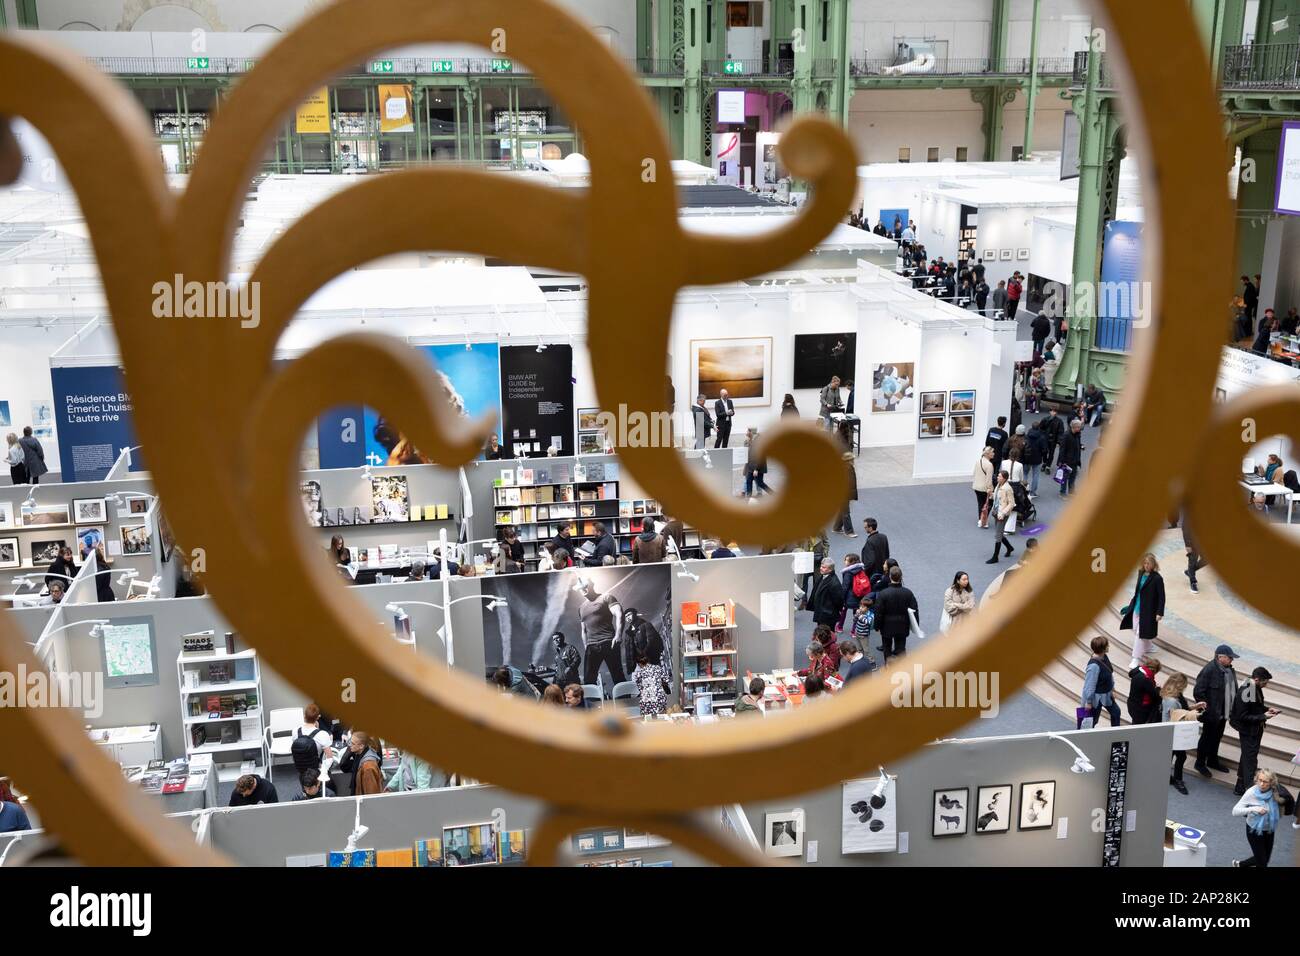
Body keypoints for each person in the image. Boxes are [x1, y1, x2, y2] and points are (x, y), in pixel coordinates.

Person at [1230, 666, 1280, 795]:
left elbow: (1256, 706)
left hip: (1254, 729)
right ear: (1257, 679)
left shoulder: (1254, 687)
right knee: (1250, 761)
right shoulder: (1246, 691)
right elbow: (1243, 716)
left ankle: (1240, 786)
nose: (1266, 685)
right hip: (1248, 731)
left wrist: (1267, 709)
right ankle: (1249, 790)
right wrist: (1263, 716)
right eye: (1264, 682)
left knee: (1247, 758)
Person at [1193, 644, 1239, 777]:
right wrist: (1208, 709)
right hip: (1212, 714)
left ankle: (1212, 760)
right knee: (1206, 738)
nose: (1232, 660)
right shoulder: (1209, 670)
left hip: (1223, 713)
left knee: (1217, 737)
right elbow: (1198, 692)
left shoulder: (1228, 670)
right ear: (1220, 657)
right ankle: (1200, 763)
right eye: (1229, 657)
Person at [1161, 672, 1205, 795]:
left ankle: (1168, 777)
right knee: (1180, 756)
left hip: (1173, 732)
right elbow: (1177, 717)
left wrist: (1195, 707)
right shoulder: (1172, 700)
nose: (1185, 687)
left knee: (1173, 756)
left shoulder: (1175, 696)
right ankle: (1177, 780)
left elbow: (1182, 711)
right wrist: (1196, 715)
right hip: (1172, 733)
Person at [1118, 552, 1164, 665]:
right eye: (1144, 563)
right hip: (1137, 607)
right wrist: (1130, 606)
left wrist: (1159, 612)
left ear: (1153, 564)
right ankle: (1148, 645)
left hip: (1149, 611)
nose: (1146, 565)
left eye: (1148, 563)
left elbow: (1162, 597)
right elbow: (1138, 591)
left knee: (1140, 633)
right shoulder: (1141, 573)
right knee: (1135, 629)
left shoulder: (1157, 578)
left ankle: (1136, 658)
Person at [578, 577, 626, 687]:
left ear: (591, 585)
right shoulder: (581, 608)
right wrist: (586, 646)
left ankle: (624, 702)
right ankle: (592, 704)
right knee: (588, 680)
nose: (583, 589)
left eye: (585, 586)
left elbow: (619, 614)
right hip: (592, 646)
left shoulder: (606, 597)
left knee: (617, 676)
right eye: (581, 588)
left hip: (609, 642)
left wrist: (618, 635)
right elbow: (583, 629)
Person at [1233, 769, 1283, 867]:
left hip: (1269, 830)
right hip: (1254, 830)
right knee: (1262, 863)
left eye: (1265, 782)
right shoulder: (1251, 793)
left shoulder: (1275, 791)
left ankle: (1239, 865)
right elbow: (1235, 811)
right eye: (1259, 780)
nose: (1261, 784)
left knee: (1264, 858)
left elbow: (1286, 801)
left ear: (1271, 783)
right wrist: (1253, 809)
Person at [873, 565, 918, 661]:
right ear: (901, 577)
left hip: (886, 626)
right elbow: (915, 610)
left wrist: (877, 626)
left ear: (890, 576)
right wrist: (914, 625)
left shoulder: (883, 593)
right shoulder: (908, 593)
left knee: (887, 648)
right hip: (903, 625)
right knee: (901, 649)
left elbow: (878, 612)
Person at [1080, 635, 1121, 728]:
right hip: (1095, 697)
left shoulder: (1104, 657)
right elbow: (1089, 685)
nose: (1109, 646)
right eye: (1107, 645)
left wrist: (1113, 689)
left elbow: (1109, 674)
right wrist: (1089, 702)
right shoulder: (1093, 666)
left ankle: (1115, 733)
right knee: (1093, 720)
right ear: (1103, 649)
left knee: (1116, 712)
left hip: (1106, 694)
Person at [338, 731, 385, 796]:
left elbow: (371, 795)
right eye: (350, 742)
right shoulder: (359, 755)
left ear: (361, 746)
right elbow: (344, 765)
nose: (350, 745)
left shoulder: (368, 767)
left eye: (352, 743)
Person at [986, 470, 1016, 565]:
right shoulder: (999, 485)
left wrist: (1003, 513)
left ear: (1004, 478)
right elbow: (998, 497)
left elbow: (1011, 503)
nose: (997, 477)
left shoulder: (1008, 489)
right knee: (998, 533)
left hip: (1001, 514)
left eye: (999, 476)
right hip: (996, 512)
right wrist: (991, 494)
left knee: (998, 535)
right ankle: (1009, 547)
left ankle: (995, 557)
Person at [804, 557, 845, 628]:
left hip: (828, 616)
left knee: (827, 635)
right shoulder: (824, 576)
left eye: (823, 567)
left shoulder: (834, 583)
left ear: (830, 569)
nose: (820, 568)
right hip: (823, 613)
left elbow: (839, 600)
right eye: (821, 566)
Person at [631, 644, 670, 717]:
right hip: (660, 700)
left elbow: (640, 689)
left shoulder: (639, 673)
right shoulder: (658, 668)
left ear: (639, 664)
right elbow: (666, 680)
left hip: (647, 703)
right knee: (661, 719)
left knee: (647, 720)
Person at [1126, 656, 1162, 725]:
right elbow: (1155, 695)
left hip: (1132, 704)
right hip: (1140, 709)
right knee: (1138, 727)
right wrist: (1158, 689)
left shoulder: (1137, 671)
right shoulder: (1146, 679)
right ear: (1155, 670)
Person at [838, 552, 868, 632]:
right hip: (859, 595)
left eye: (846, 560)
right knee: (856, 613)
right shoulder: (861, 569)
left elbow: (845, 587)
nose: (845, 561)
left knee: (843, 611)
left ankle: (840, 627)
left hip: (849, 597)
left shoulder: (848, 572)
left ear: (851, 562)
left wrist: (841, 598)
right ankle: (854, 630)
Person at [1181, 510, 1206, 593]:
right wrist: (1187, 544)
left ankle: (1190, 571)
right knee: (1192, 561)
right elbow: (1185, 527)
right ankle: (1193, 582)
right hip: (1192, 542)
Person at [743, 429, 773, 497]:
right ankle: (749, 496)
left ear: (751, 432)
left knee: (760, 483)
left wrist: (756, 469)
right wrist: (747, 441)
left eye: (747, 431)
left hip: (758, 467)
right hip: (751, 466)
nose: (746, 432)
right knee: (748, 481)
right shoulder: (750, 440)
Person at [1057, 419, 1083, 496]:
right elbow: (1062, 449)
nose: (1079, 428)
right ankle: (1062, 492)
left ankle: (1071, 491)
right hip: (1067, 461)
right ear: (1073, 427)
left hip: (1075, 460)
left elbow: (1077, 444)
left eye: (1079, 427)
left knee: (1072, 477)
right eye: (1078, 427)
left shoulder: (1078, 434)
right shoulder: (1066, 435)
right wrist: (1061, 461)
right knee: (1065, 478)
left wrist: (1081, 446)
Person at [972, 446, 995, 528]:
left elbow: (974, 473)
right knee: (989, 504)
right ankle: (983, 520)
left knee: (980, 504)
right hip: (984, 488)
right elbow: (989, 480)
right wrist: (991, 490)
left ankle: (980, 519)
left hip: (976, 486)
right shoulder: (989, 465)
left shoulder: (978, 461)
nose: (994, 454)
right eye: (992, 452)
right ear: (988, 454)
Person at [834, 451, 857, 536]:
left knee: (843, 510)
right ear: (849, 460)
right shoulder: (846, 468)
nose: (853, 460)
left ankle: (837, 527)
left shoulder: (847, 467)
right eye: (852, 459)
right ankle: (849, 531)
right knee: (846, 512)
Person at [1022, 420, 1047, 496]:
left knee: (1025, 474)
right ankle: (1033, 492)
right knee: (1035, 475)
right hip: (1037, 459)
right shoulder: (1042, 437)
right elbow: (1044, 449)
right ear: (1038, 427)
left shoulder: (1027, 436)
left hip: (1027, 458)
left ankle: (1023, 490)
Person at [1040, 408, 1064, 472]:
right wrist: (1042, 437)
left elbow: (1060, 432)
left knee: (1051, 453)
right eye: (1052, 411)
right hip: (1045, 438)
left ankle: (1048, 466)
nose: (1054, 413)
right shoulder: (1045, 419)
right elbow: (1041, 428)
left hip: (1053, 440)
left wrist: (1059, 442)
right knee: (1044, 452)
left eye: (1055, 411)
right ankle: (1044, 463)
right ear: (1050, 412)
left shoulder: (1059, 421)